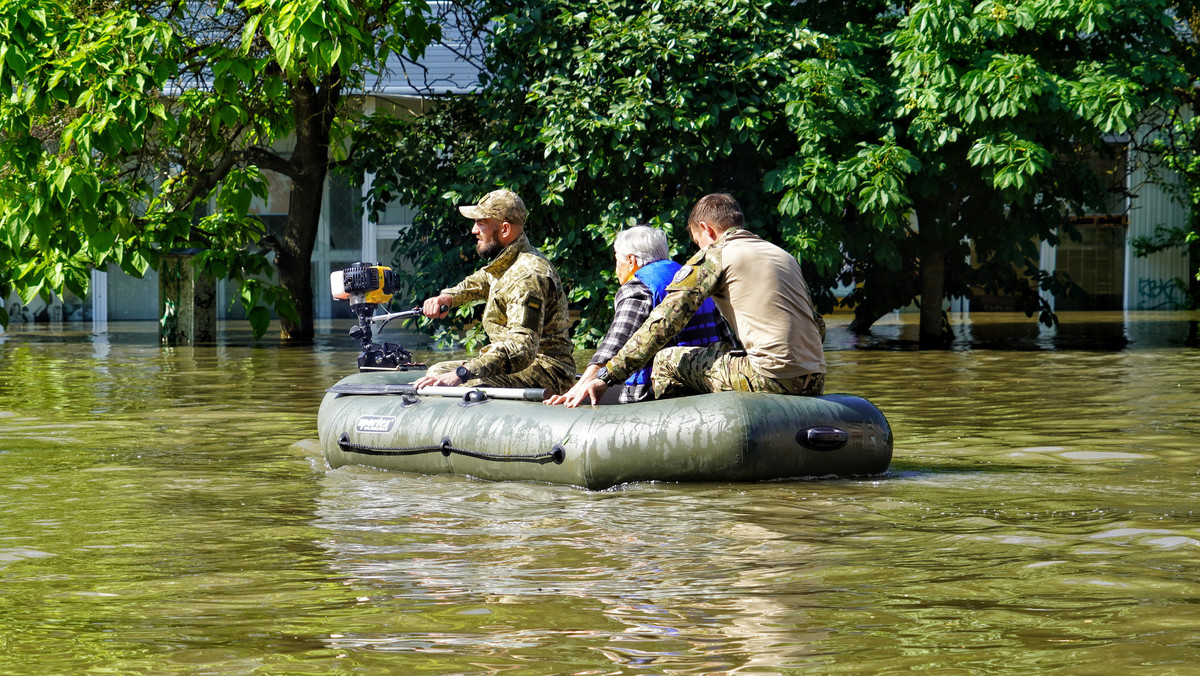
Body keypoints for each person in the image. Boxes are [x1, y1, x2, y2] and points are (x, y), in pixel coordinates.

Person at [553, 193, 825, 407]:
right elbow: (818, 327)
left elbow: (663, 324)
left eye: (697, 241)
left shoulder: (716, 254)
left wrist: (606, 377)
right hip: (815, 378)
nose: (698, 249)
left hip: (770, 377)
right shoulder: (783, 257)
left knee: (666, 359)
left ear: (706, 229)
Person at [545, 225, 735, 405]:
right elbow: (729, 340)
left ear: (630, 260)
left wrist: (577, 389)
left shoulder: (637, 287)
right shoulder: (693, 281)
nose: (615, 268)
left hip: (654, 394)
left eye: (616, 259)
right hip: (704, 388)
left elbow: (613, 345)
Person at [414, 189, 575, 395]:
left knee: (463, 386)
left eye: (481, 223)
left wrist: (464, 372)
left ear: (505, 230)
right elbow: (481, 281)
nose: (473, 230)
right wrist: (448, 297)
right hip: (521, 366)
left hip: (547, 371)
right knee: (436, 371)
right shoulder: (509, 261)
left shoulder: (528, 276)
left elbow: (521, 349)